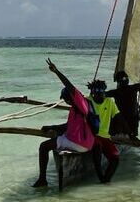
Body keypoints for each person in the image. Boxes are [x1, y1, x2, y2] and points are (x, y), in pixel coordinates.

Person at [32, 58, 95, 188]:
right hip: (87, 143)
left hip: (78, 143)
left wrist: (56, 71)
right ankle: (60, 146)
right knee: (57, 132)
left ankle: (42, 180)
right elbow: (68, 126)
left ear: (70, 97)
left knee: (43, 146)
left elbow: (69, 86)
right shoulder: (78, 107)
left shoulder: (80, 102)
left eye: (66, 99)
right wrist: (52, 126)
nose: (65, 101)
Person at [87, 79, 121, 183]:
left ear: (104, 91)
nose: (99, 93)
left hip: (105, 137)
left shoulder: (109, 101)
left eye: (102, 91)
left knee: (115, 158)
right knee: (97, 147)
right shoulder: (87, 101)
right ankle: (100, 177)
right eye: (97, 91)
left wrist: (129, 133)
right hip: (91, 135)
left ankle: (105, 181)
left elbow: (118, 117)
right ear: (92, 92)